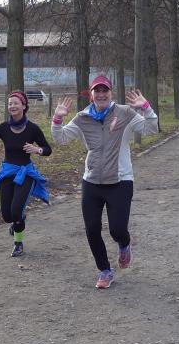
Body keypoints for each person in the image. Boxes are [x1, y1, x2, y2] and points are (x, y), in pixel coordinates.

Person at [51, 75, 158, 289]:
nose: (101, 94)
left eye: (105, 90)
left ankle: (124, 244)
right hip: (91, 181)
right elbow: (60, 138)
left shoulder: (125, 113)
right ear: (91, 94)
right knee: (92, 228)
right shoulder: (82, 118)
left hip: (120, 181)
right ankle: (105, 270)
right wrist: (57, 119)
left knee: (117, 230)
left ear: (111, 93)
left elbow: (151, 128)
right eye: (97, 91)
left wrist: (146, 108)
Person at [0, 90, 51, 257]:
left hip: (25, 174)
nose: (12, 106)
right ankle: (19, 220)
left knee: (16, 211)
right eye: (10, 103)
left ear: (24, 106)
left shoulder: (33, 129)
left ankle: (18, 243)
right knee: (7, 216)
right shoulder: (4, 128)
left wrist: (37, 150)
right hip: (7, 173)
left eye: (16, 103)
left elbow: (48, 149)